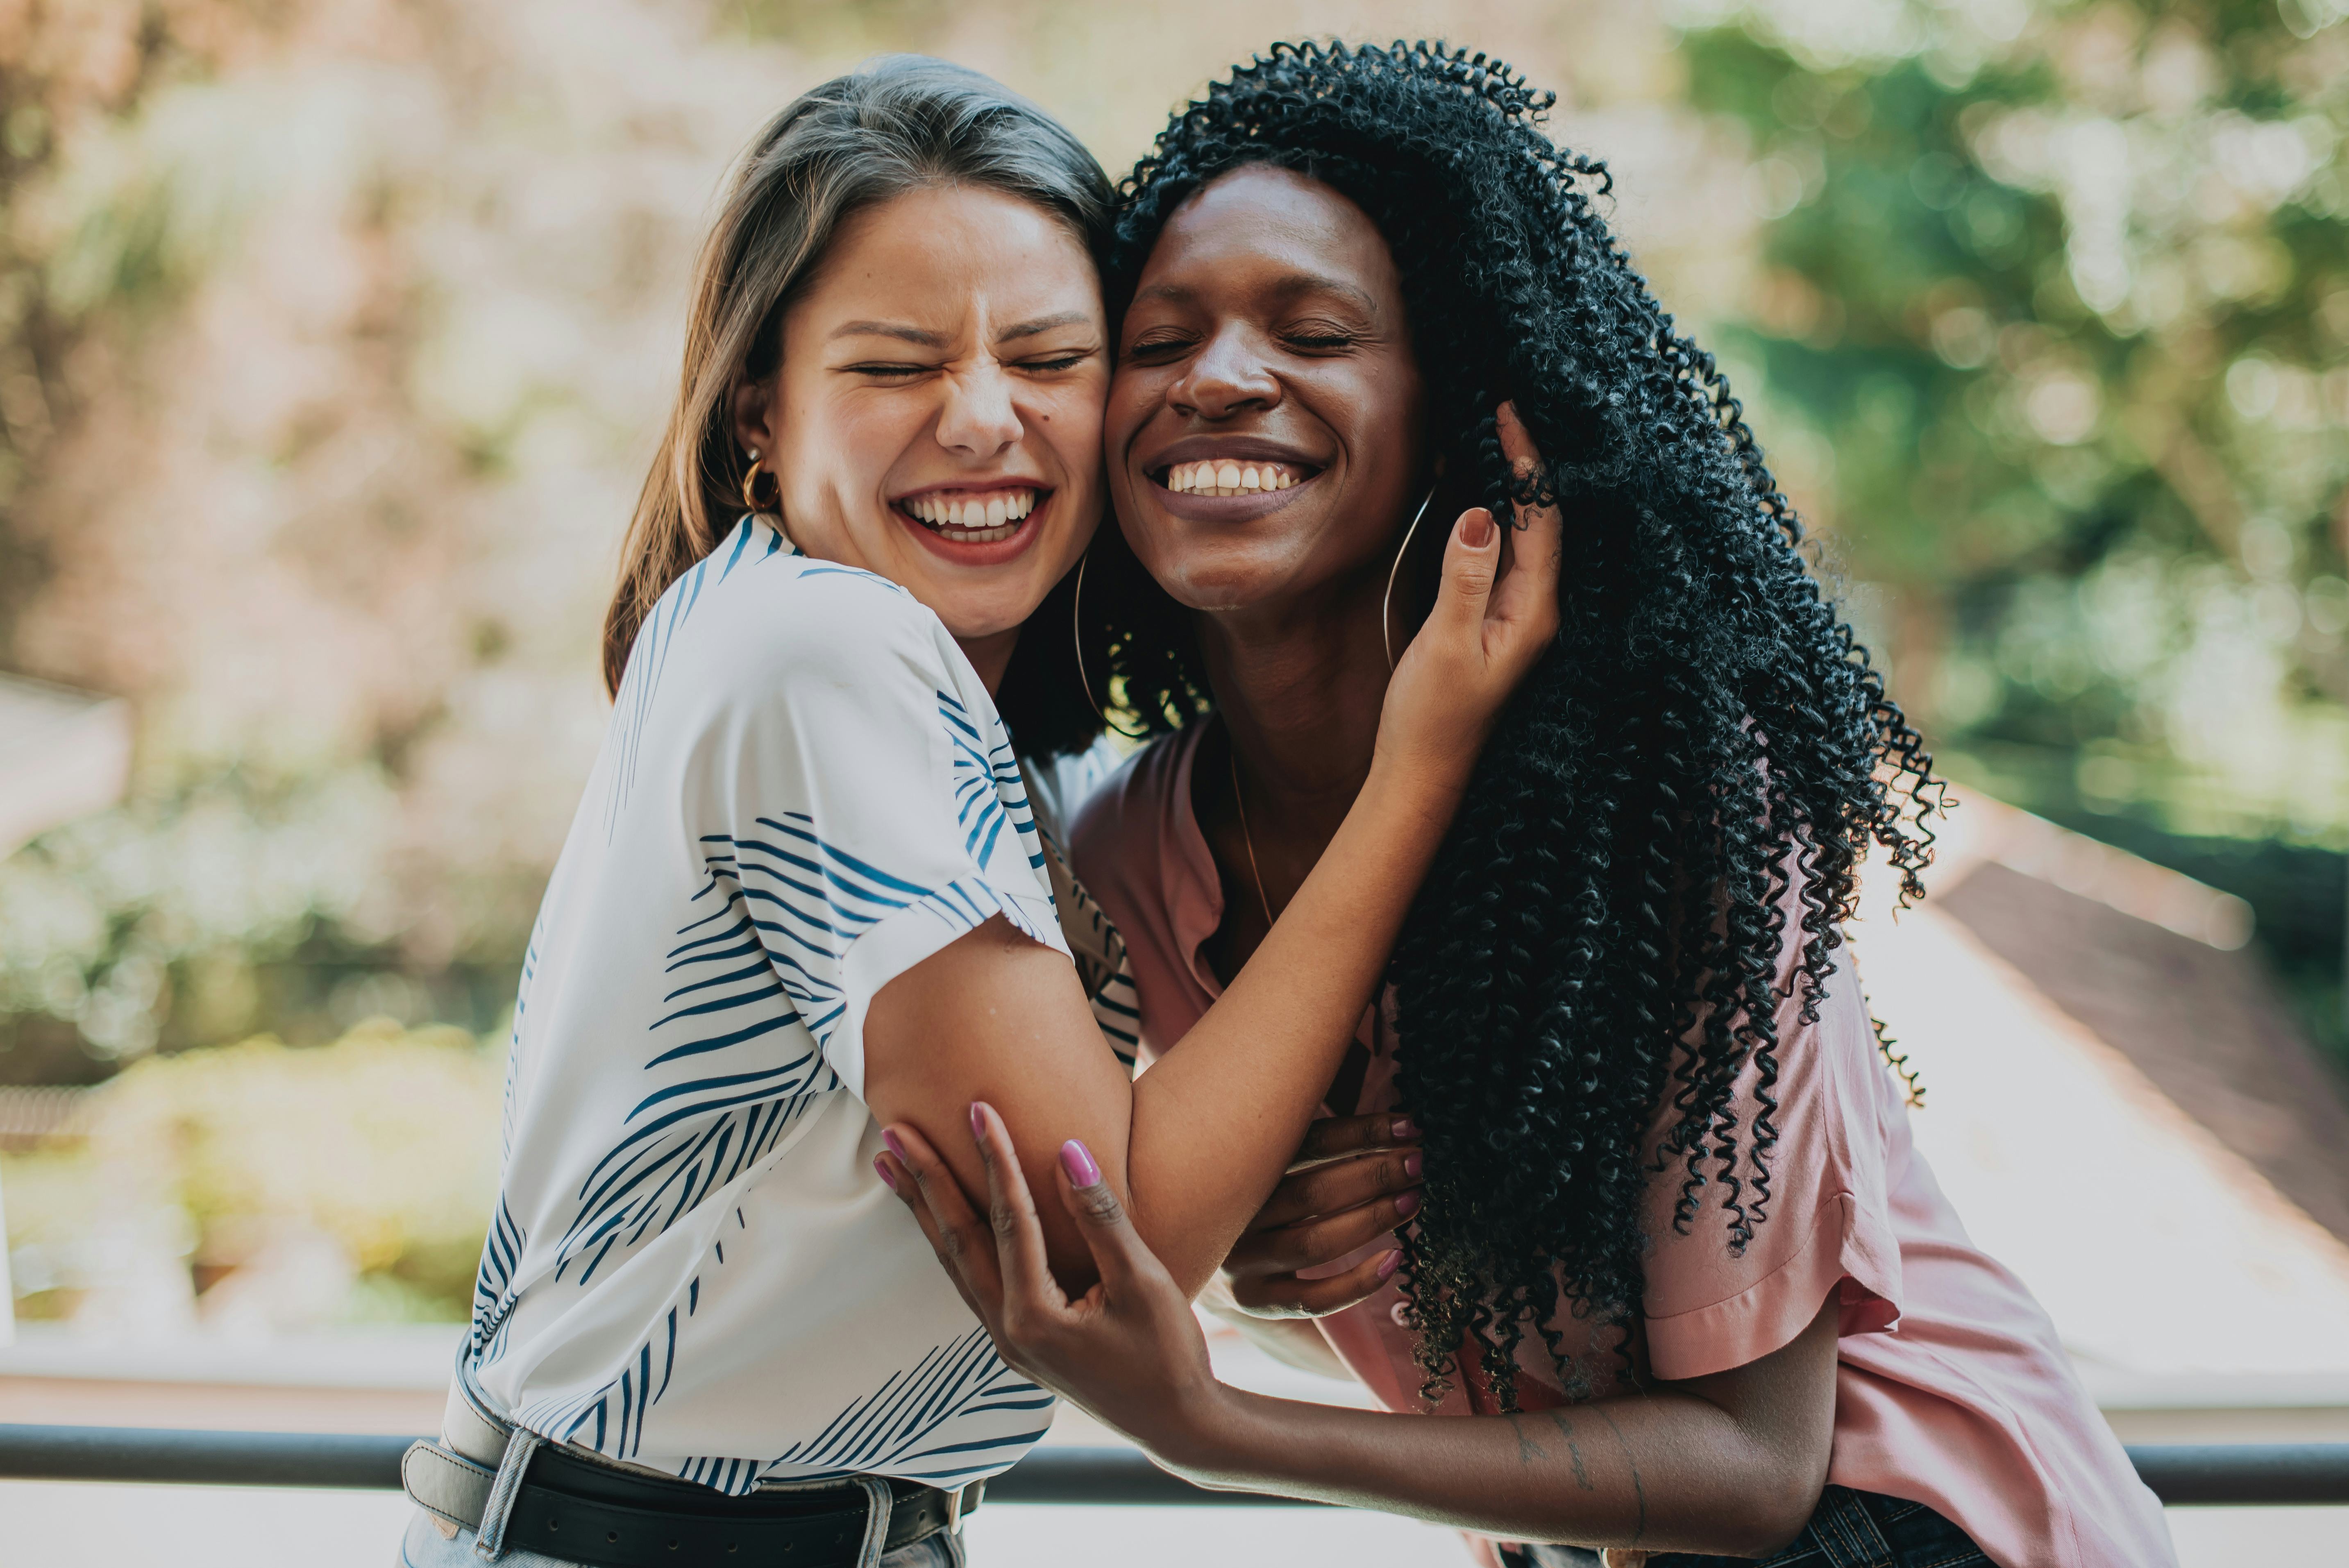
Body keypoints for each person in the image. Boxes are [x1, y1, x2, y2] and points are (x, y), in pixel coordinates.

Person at [879, 41, 2177, 1568]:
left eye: (1313, 329)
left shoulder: (1662, 804)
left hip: (1915, 1527)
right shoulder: (1128, 857)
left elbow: (1761, 1464)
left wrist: (1213, 1426)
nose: (1220, 378)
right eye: (1159, 340)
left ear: (1464, 420)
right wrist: (1249, 1264)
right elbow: (1188, 1232)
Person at [396, 54, 1558, 1568]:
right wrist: (1421, 765)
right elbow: (1104, 1233)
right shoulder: (823, 647)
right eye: (894, 366)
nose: (983, 419)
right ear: (761, 405)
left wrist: (1231, 1233)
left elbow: (1015, 1205)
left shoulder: (953, 719)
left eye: (1051, 356)